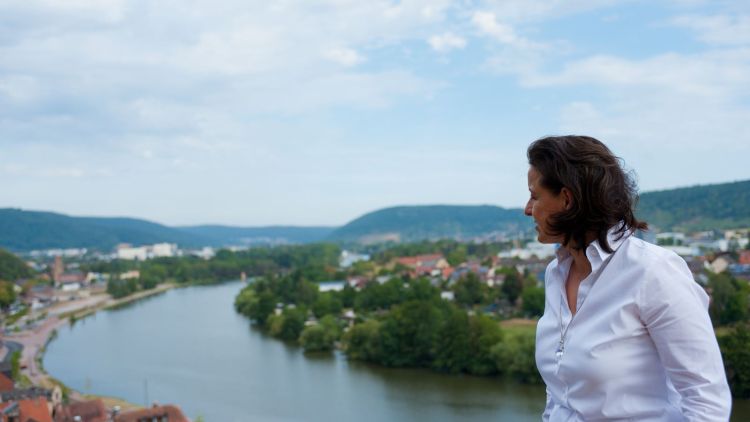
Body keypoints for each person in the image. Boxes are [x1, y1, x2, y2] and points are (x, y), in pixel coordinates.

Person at [526, 135, 731, 421]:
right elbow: (560, 392)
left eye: (535, 196)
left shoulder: (653, 272)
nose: (527, 209)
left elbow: (707, 403)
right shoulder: (555, 273)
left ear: (567, 200)